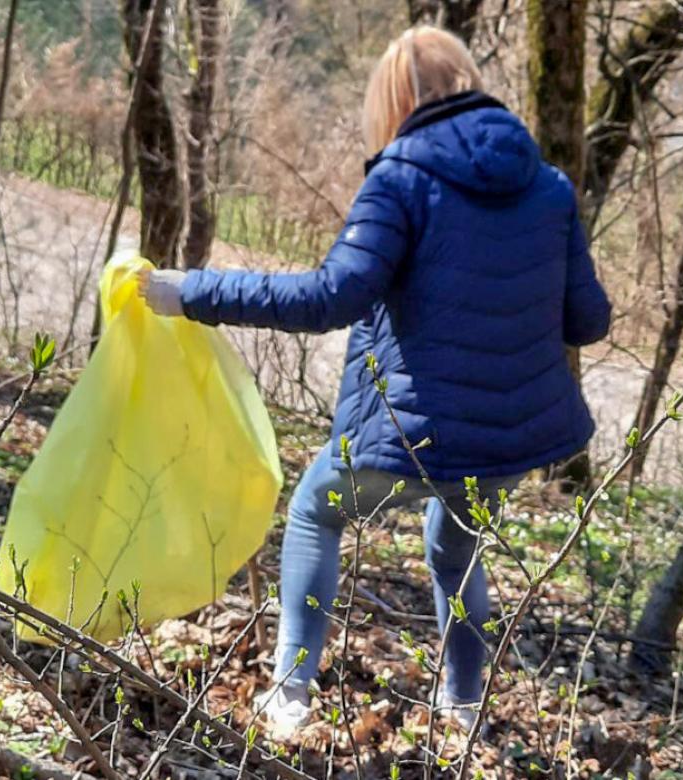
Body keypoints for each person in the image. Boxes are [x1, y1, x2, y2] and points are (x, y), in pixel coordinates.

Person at [139, 26, 611, 734]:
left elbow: (330, 298)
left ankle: (291, 695)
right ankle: (461, 702)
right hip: (508, 443)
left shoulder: (400, 178)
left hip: (411, 434)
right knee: (457, 545)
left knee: (315, 511)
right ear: (469, 79)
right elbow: (590, 320)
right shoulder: (549, 187)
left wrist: (193, 291)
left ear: (393, 98)